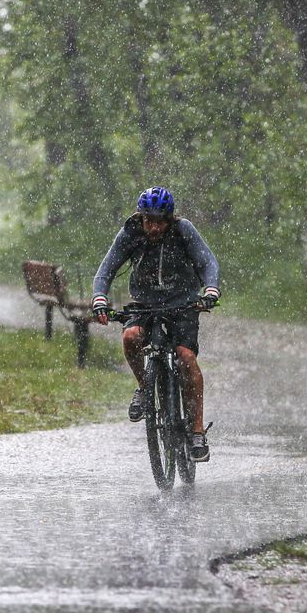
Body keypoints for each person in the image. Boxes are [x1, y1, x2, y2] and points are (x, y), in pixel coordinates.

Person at [91, 186, 221, 462]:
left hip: (182, 303)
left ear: (169, 219)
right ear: (141, 217)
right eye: (148, 220)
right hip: (145, 302)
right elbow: (106, 269)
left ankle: (197, 431)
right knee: (130, 338)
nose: (153, 227)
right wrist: (99, 297)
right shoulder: (131, 232)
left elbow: (208, 262)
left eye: (159, 221)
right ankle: (145, 387)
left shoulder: (184, 230)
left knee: (186, 357)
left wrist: (210, 290)